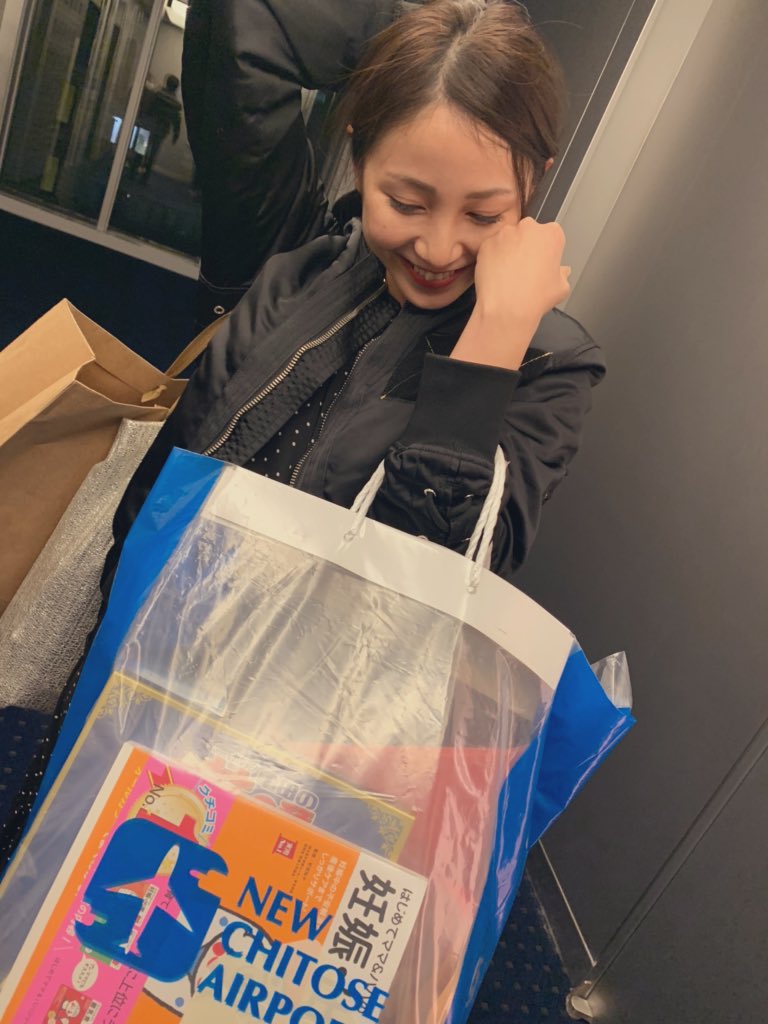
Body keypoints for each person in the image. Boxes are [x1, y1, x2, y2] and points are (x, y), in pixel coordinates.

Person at [113, 0, 604, 584]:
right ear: (360, 158)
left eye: (483, 214)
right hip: (144, 616)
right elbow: (246, 19)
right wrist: (430, 44)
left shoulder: (550, 368)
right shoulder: (298, 267)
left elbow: (421, 585)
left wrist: (494, 339)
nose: (438, 250)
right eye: (407, 203)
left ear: (534, 181)